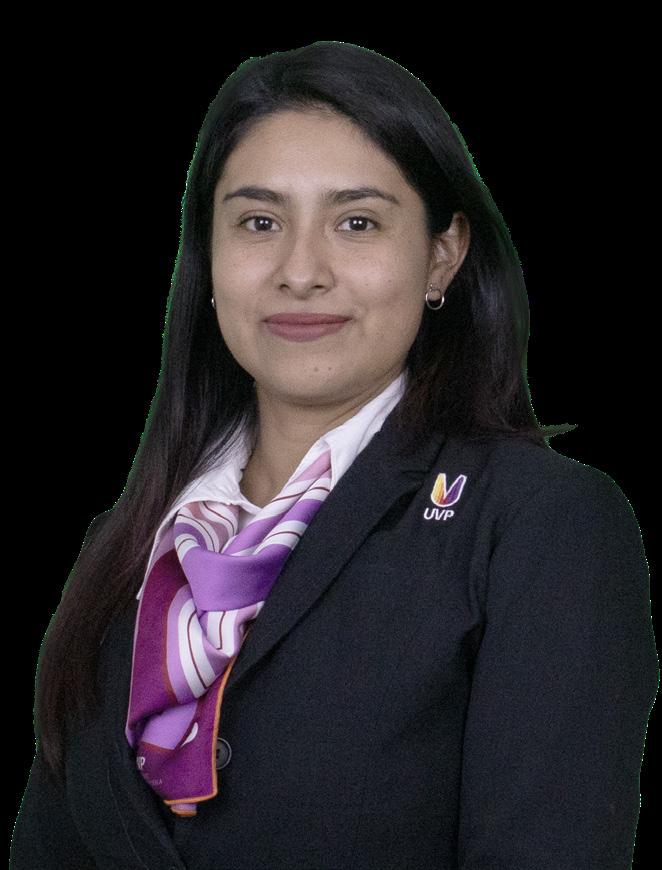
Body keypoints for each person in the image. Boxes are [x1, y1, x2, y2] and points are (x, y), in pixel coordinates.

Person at [11, 41, 658, 869]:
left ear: (442, 255)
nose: (301, 271)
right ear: (208, 257)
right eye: (259, 222)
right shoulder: (130, 542)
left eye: (357, 222)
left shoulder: (539, 525)